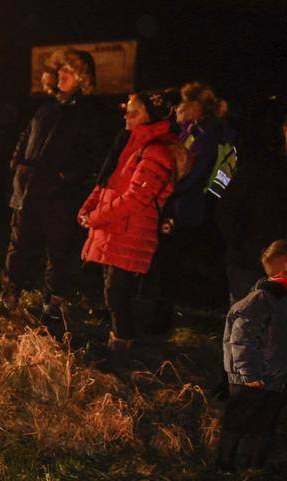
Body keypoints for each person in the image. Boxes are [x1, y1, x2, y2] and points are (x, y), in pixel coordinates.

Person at [3, 48, 106, 337]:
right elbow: (25, 138)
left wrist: (66, 177)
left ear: (82, 77)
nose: (62, 76)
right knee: (19, 244)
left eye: (69, 72)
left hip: (60, 197)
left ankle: (53, 304)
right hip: (28, 190)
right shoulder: (45, 108)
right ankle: (10, 293)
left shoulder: (89, 113)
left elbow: (94, 155)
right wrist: (18, 166)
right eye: (60, 71)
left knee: (59, 252)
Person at [78, 90, 183, 366]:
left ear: (150, 117)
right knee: (111, 290)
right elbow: (107, 182)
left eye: (134, 112)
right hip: (114, 228)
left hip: (130, 231)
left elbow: (136, 199)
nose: (126, 116)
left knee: (117, 292)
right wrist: (87, 208)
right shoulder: (127, 144)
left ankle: (122, 351)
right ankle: (118, 342)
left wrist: (97, 217)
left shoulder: (157, 151)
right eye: (127, 110)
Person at [147, 82, 234, 332]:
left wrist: (165, 192)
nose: (177, 107)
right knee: (168, 260)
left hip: (185, 208)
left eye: (183, 102)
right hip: (182, 204)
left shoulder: (205, 136)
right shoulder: (191, 131)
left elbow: (194, 175)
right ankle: (162, 313)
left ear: (195, 106)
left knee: (170, 262)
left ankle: (163, 320)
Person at [217, 240, 287, 472]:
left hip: (277, 378)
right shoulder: (260, 300)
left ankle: (254, 468)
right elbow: (242, 339)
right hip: (253, 378)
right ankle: (224, 466)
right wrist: (250, 373)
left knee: (266, 424)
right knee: (238, 421)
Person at [217, 114, 287, 302]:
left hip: (260, 260)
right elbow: (227, 212)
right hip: (250, 262)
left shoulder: (253, 169)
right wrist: (246, 248)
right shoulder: (255, 170)